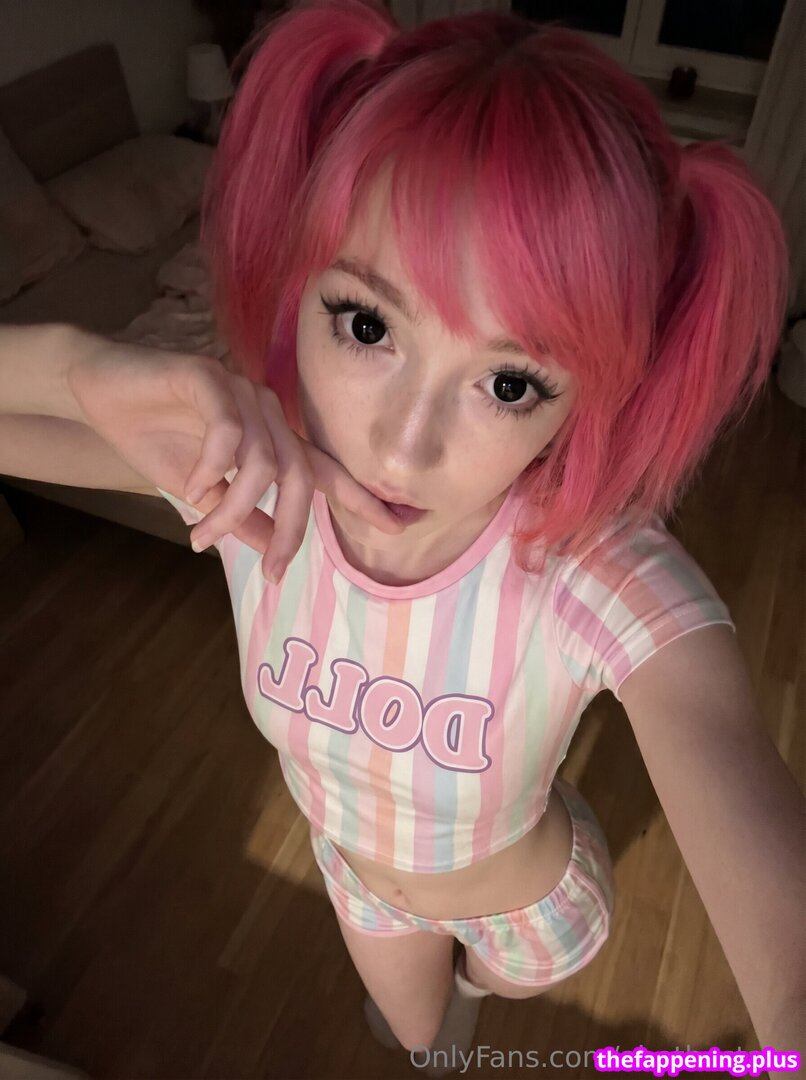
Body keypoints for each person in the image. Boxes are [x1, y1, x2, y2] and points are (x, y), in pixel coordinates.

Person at [0, 0, 803, 1075]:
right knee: (425, 1048)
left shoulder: (597, 575)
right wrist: (71, 362)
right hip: (357, 882)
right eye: (367, 324)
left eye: (509, 383)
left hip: (530, 910)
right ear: (298, 289)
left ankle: (473, 978)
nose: (403, 446)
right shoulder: (249, 481)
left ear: (588, 404)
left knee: (476, 1003)